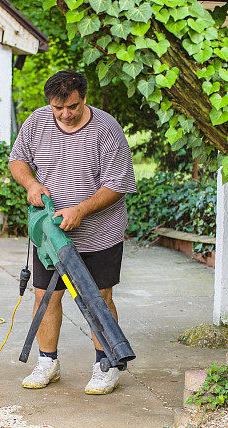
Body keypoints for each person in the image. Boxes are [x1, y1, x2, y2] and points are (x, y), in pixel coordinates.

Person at [8, 70, 136, 395]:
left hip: (99, 233)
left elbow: (118, 185)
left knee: (99, 298)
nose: (65, 114)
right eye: (57, 108)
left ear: (84, 97)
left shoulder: (107, 130)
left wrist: (80, 210)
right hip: (51, 234)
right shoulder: (37, 121)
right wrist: (31, 183)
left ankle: (105, 365)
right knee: (45, 296)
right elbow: (18, 159)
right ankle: (47, 362)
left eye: (73, 106)